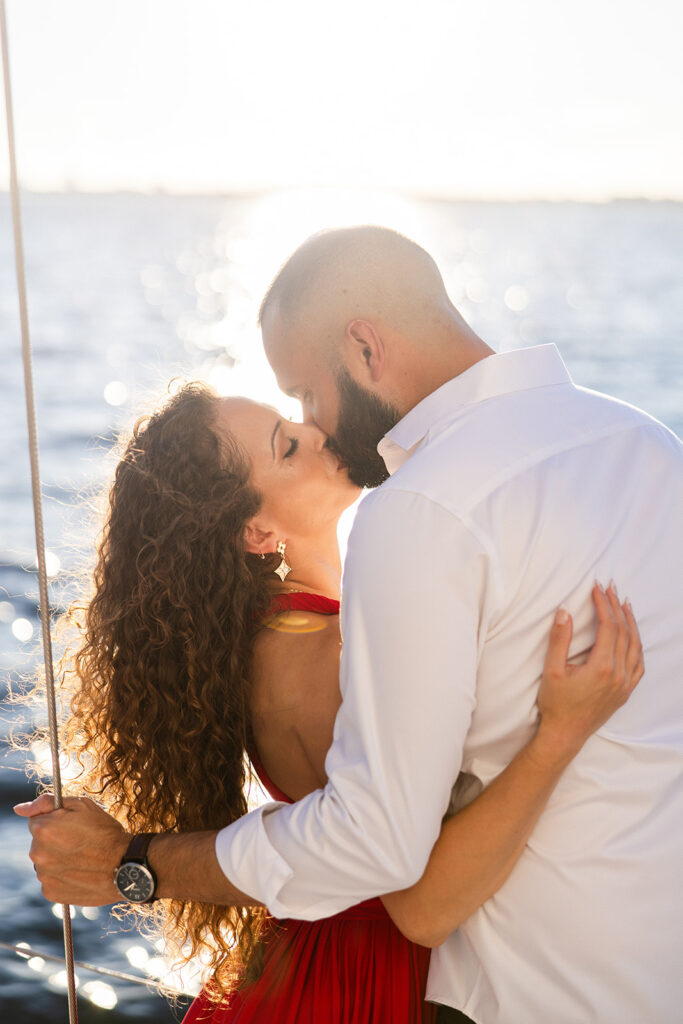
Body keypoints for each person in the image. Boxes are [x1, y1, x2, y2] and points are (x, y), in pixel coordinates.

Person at [19, 224, 682, 1021]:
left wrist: (138, 862)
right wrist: (556, 737)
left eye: (303, 397)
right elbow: (398, 871)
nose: (317, 427)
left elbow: (382, 845)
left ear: (364, 348)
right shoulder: (649, 444)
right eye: (289, 430)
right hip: (418, 975)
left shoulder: (414, 522)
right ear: (255, 533)